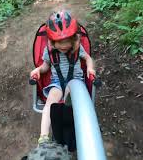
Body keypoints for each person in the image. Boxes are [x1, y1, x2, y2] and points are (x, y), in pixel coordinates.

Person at [30, 10, 95, 144]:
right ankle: (44, 136)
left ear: (74, 39)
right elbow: (45, 66)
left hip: (76, 82)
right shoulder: (49, 52)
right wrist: (38, 69)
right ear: (52, 41)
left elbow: (88, 58)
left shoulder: (78, 48)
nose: (64, 45)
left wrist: (90, 67)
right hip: (57, 82)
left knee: (70, 97)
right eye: (60, 42)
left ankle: (73, 124)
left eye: (68, 41)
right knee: (50, 102)